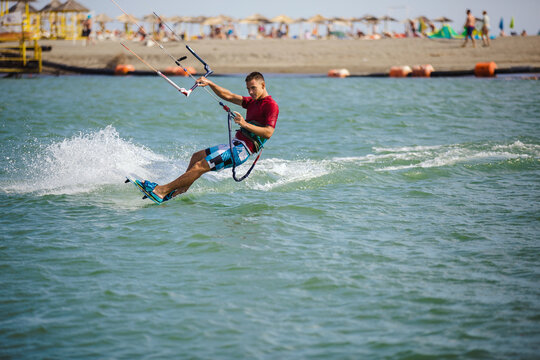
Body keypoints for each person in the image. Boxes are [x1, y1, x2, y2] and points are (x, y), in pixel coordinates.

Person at [138, 72, 279, 203]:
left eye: (253, 88)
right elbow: (228, 95)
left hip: (242, 151)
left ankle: (162, 191)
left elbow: (268, 132)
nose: (250, 92)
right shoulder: (252, 102)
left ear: (263, 85)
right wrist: (210, 84)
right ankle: (178, 192)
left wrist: (244, 124)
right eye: (248, 89)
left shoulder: (271, 106)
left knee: (201, 166)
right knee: (196, 157)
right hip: (234, 144)